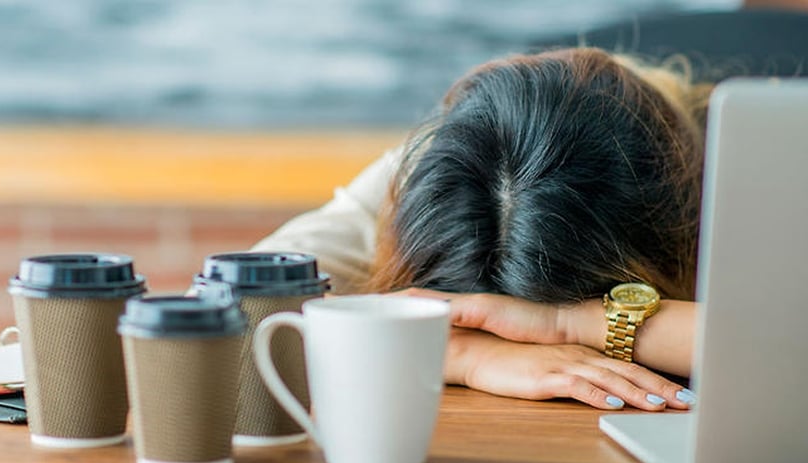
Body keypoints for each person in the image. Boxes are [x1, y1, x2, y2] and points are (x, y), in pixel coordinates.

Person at [250, 9, 808, 411]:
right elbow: (236, 309)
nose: (523, 344)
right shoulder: (459, 163)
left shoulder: (776, 159)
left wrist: (573, 323)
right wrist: (465, 355)